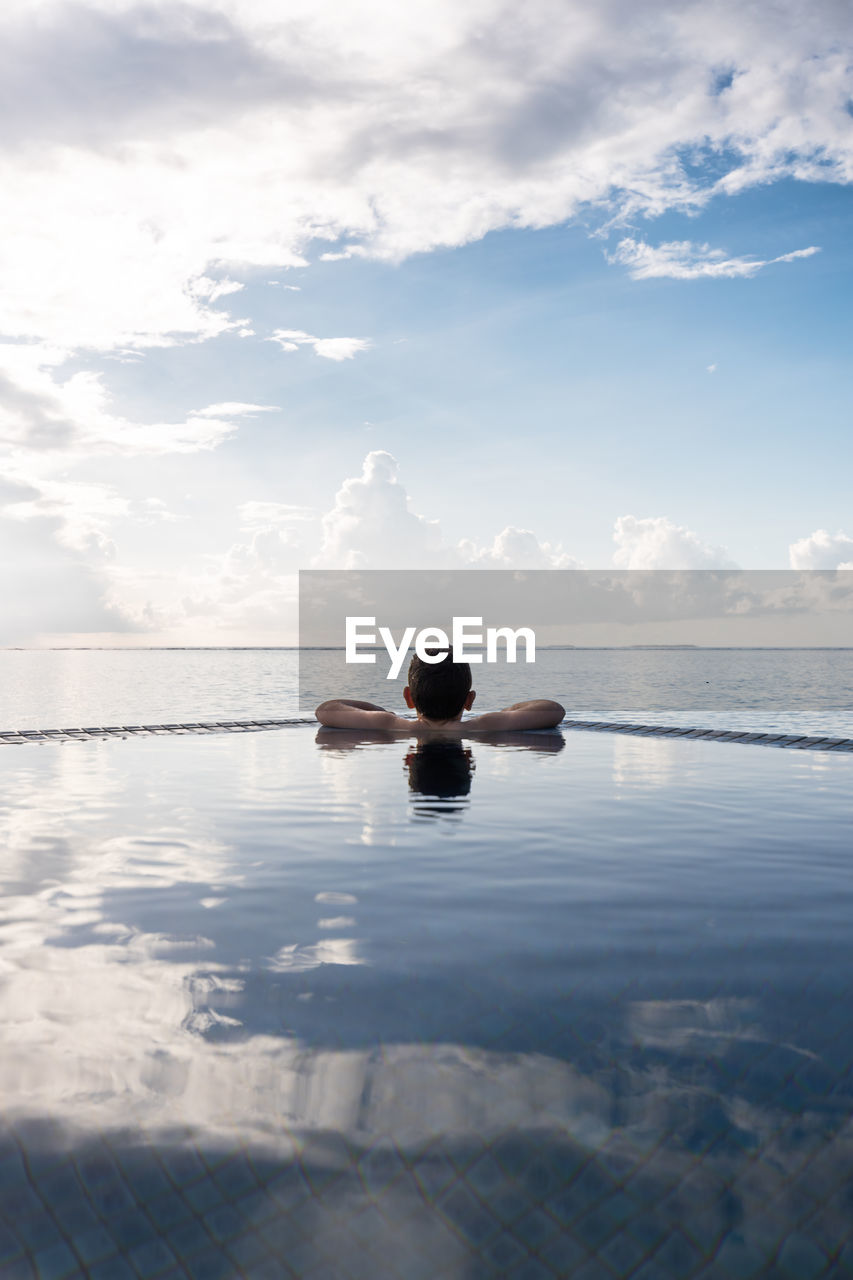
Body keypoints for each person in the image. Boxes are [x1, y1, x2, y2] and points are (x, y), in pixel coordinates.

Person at [315, 650, 565, 734]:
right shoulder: (484, 726)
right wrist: (506, 713)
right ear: (469, 700)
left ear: (409, 698)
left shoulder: (390, 725)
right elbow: (553, 710)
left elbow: (326, 709)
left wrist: (379, 711)